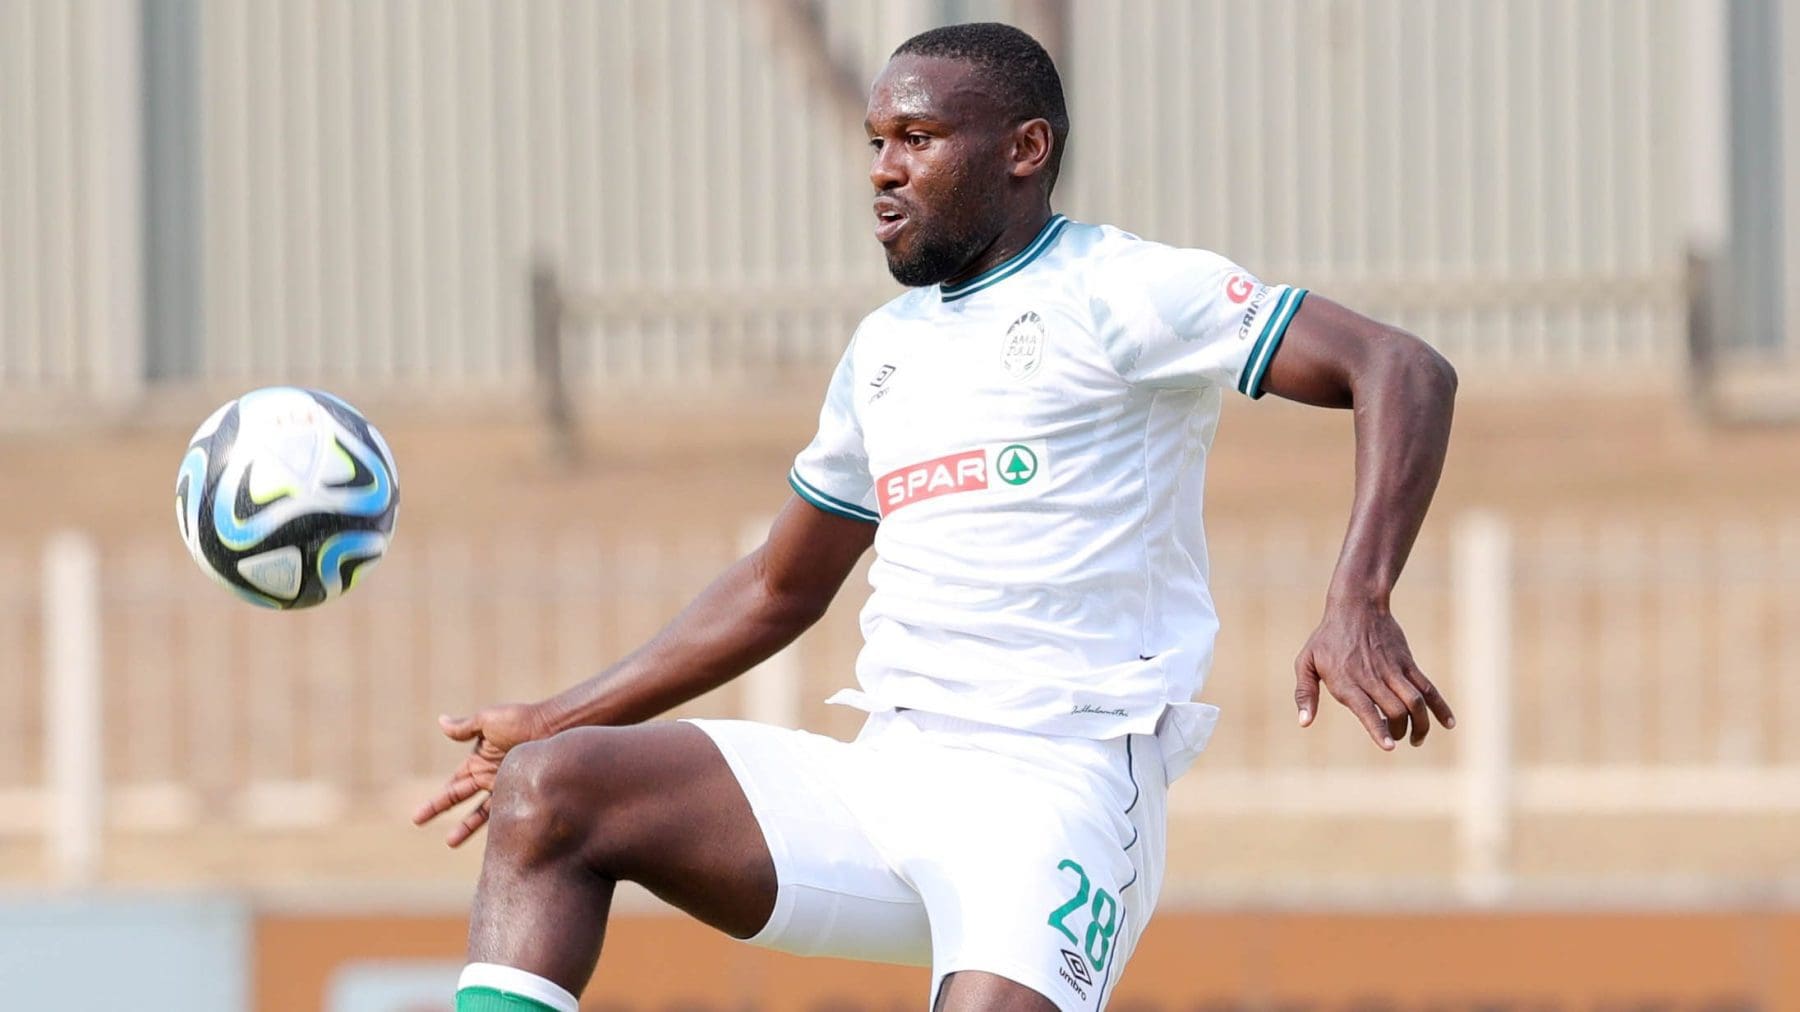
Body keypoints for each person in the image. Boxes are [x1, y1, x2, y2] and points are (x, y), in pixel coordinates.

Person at [415, 21, 1457, 1012]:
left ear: (1024, 149)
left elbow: (1399, 367)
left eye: (917, 137)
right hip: (887, 777)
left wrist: (1359, 598)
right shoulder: (885, 349)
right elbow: (780, 585)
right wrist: (552, 717)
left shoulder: (1124, 288)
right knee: (554, 789)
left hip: (1058, 788)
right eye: (877, 141)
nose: (883, 169)